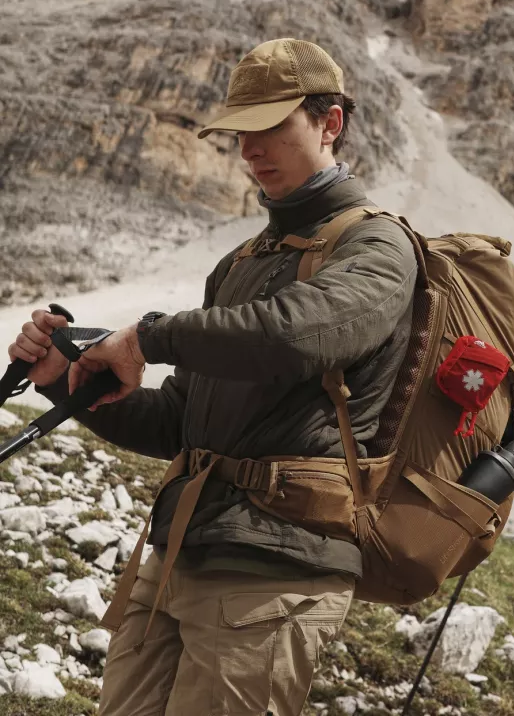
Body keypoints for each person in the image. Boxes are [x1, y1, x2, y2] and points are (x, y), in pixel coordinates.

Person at [7, 38, 419, 716]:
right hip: (179, 556)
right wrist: (61, 380)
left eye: (270, 127)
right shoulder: (240, 263)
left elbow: (291, 335)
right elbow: (179, 421)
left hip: (277, 571)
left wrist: (149, 336)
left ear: (330, 123)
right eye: (240, 132)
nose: (250, 149)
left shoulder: (378, 247)